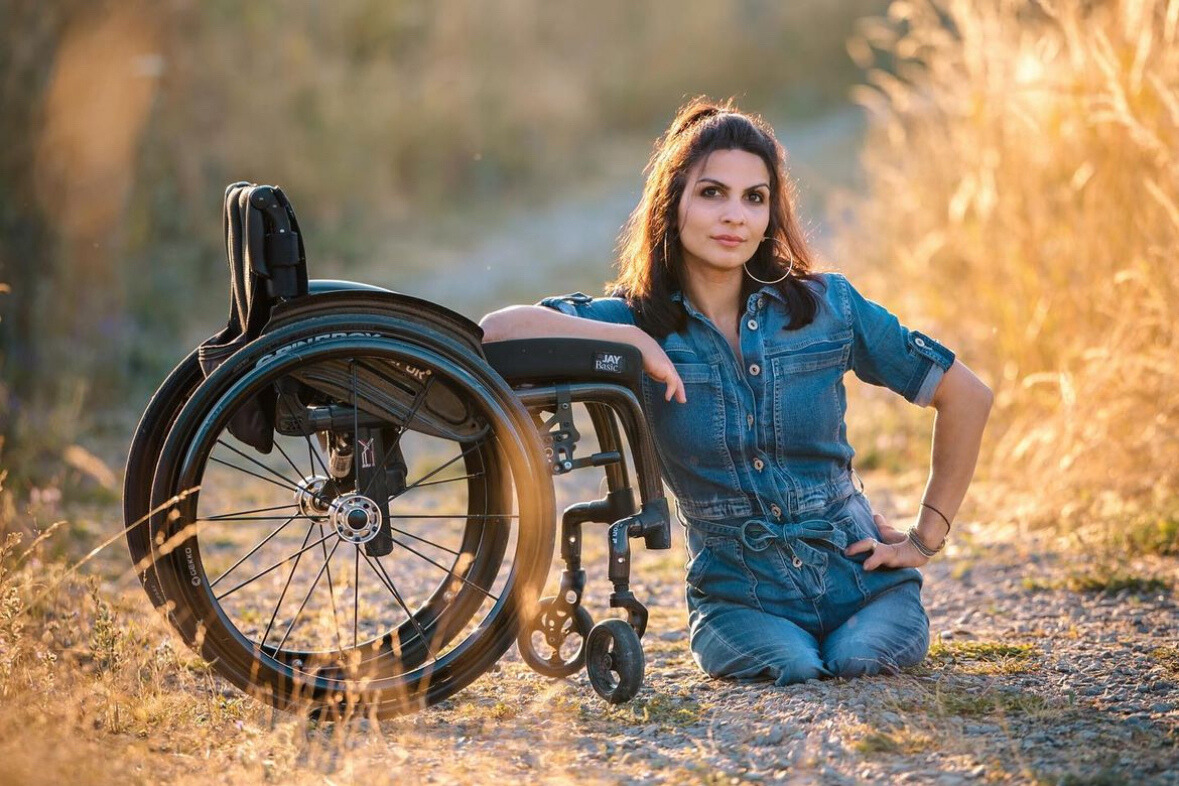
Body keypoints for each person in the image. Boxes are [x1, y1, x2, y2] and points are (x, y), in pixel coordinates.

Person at [479, 98, 993, 685]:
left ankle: (874, 613)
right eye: (712, 193)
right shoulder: (631, 320)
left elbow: (966, 395)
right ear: (672, 205)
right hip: (738, 601)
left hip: (864, 584)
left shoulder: (830, 307)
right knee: (795, 668)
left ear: (772, 215)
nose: (735, 216)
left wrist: (926, 538)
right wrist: (636, 344)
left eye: (755, 198)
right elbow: (498, 330)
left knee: (860, 662)